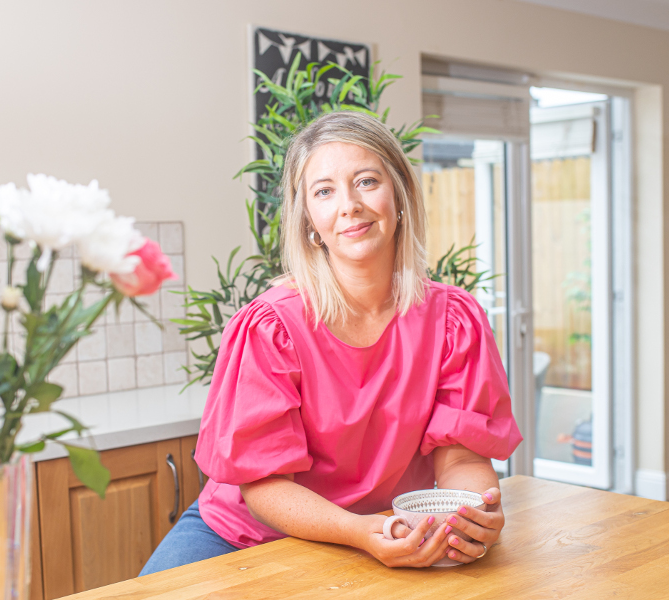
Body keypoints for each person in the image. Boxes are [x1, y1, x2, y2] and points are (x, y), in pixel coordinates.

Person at [139, 111, 523, 576]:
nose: (350, 205)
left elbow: (462, 454)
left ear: (399, 194)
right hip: (245, 538)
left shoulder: (453, 321)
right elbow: (264, 486)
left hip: (384, 532)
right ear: (309, 221)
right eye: (324, 191)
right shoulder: (269, 327)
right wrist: (359, 532)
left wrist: (472, 512)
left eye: (366, 181)